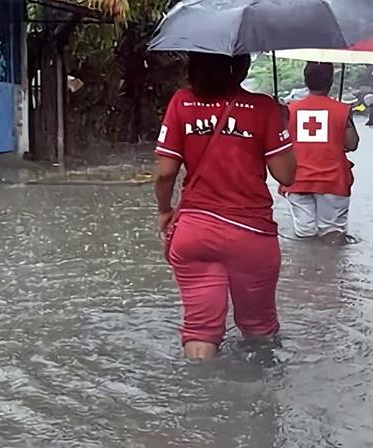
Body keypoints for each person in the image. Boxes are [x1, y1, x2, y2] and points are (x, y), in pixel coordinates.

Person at [154, 52, 297, 360]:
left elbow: (165, 173)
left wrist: (165, 210)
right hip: (251, 234)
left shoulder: (181, 102)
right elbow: (286, 175)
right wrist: (281, 125)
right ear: (243, 65)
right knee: (259, 329)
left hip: (194, 232)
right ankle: (260, 400)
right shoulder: (264, 108)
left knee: (200, 329)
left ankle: (201, 399)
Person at [281, 62, 360, 239]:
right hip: (332, 180)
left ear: (305, 80)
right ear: (331, 81)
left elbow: (282, 143)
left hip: (298, 179)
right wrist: (348, 119)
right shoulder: (342, 110)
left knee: (304, 234)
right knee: (333, 235)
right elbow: (352, 144)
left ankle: (307, 265)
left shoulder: (289, 109)